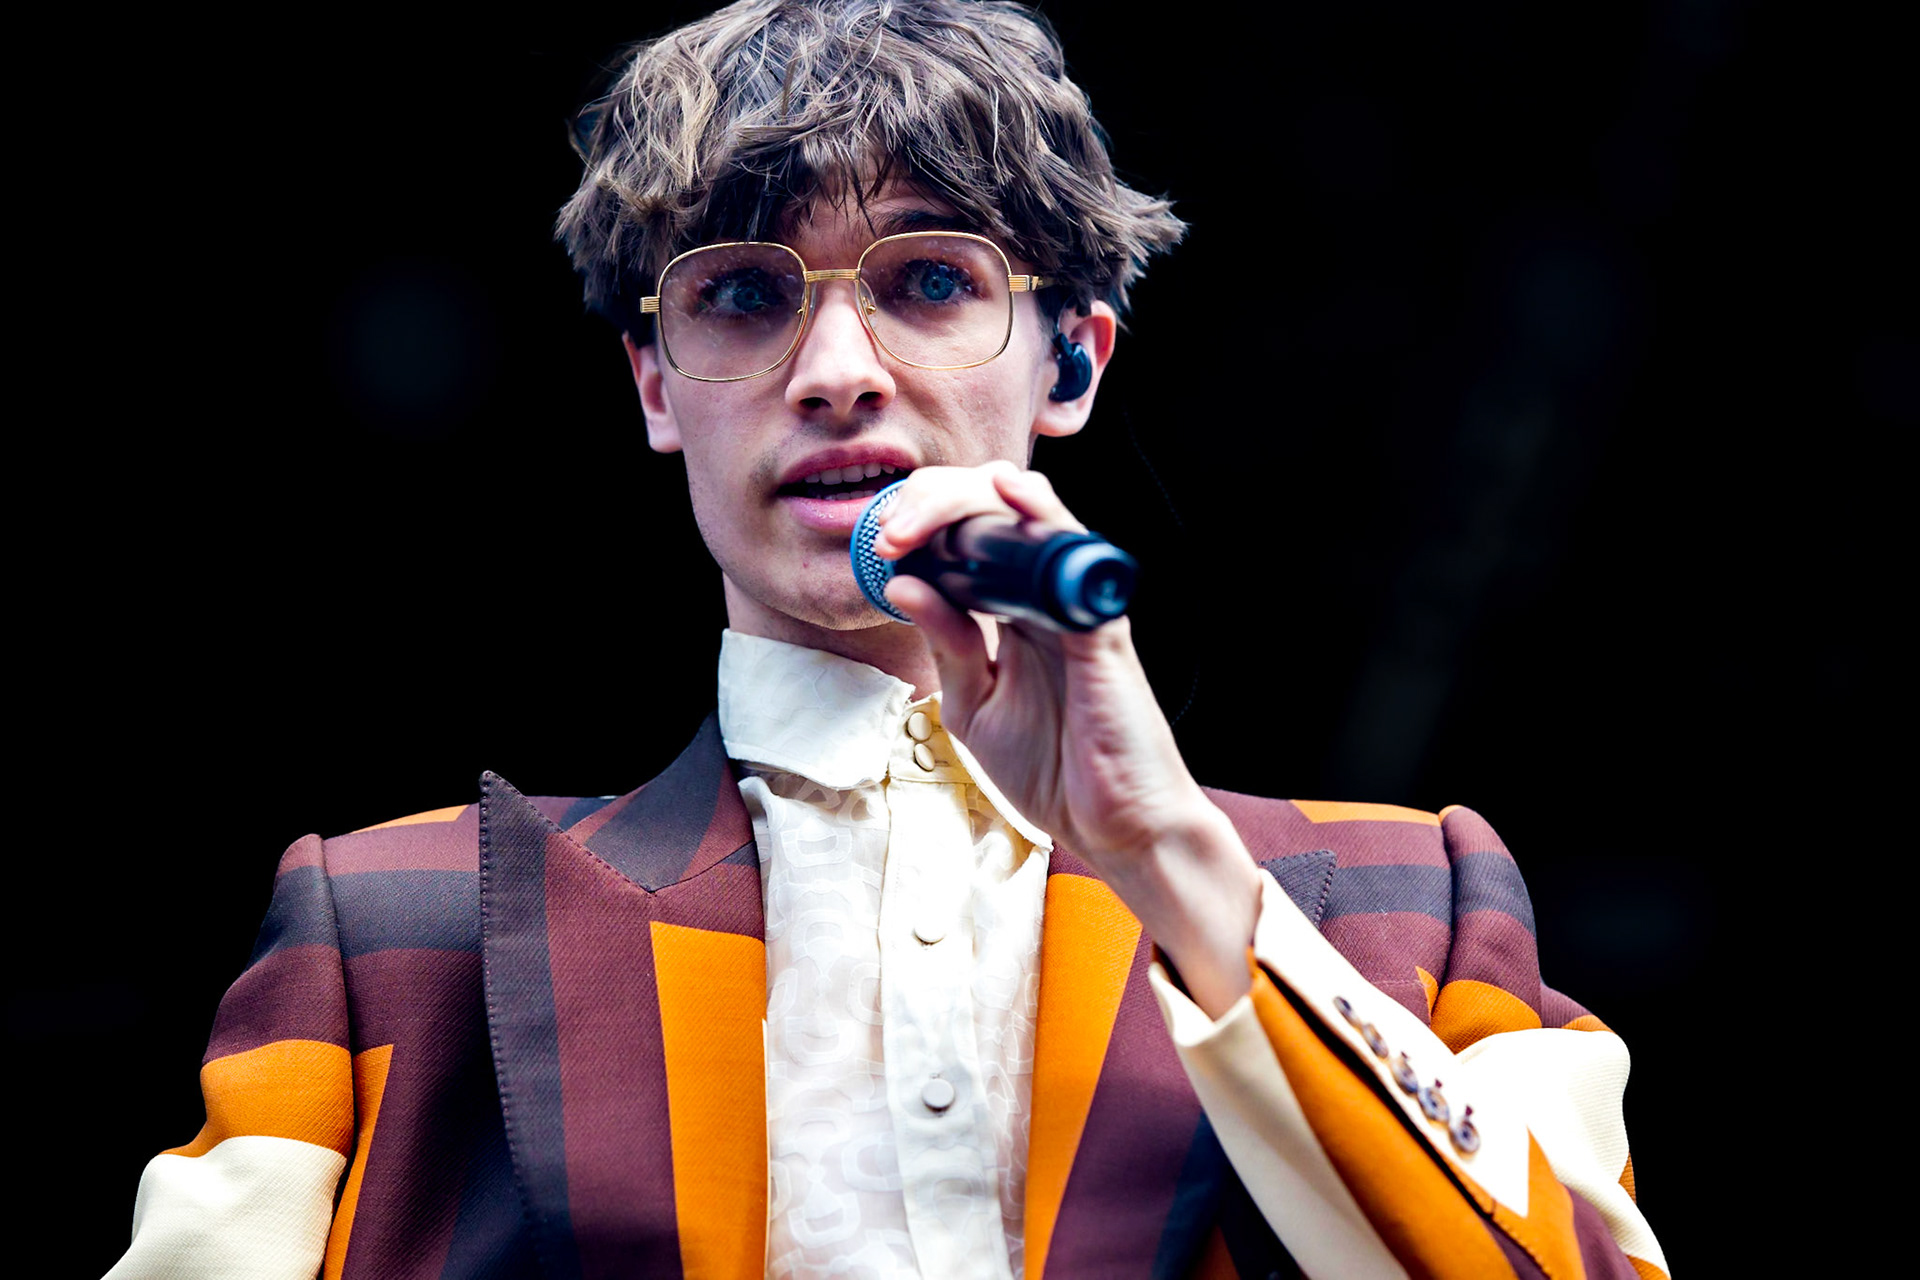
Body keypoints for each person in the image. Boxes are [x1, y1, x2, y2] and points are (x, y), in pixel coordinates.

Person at [108, 3, 1667, 1277]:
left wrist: (1175, 865)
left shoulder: (1414, 906)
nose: (838, 368)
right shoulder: (392, 938)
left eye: (928, 281)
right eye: (738, 295)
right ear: (656, 385)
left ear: (1074, 358)